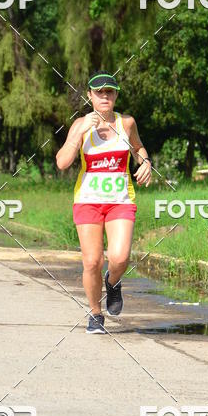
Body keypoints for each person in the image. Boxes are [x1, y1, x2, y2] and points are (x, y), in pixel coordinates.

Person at [56, 71, 152, 334]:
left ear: (116, 94)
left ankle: (113, 282)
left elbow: (138, 148)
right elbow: (62, 162)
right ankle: (96, 314)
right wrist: (79, 134)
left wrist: (146, 163)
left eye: (109, 91)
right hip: (87, 201)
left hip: (120, 201)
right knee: (92, 262)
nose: (105, 96)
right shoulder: (80, 125)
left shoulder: (127, 123)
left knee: (120, 258)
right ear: (90, 96)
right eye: (99, 92)